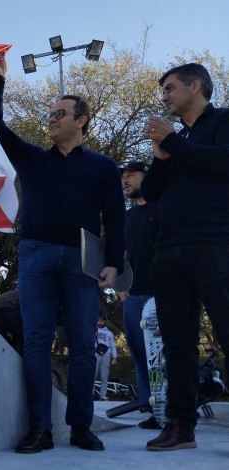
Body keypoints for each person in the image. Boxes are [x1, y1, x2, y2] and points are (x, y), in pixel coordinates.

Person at [0, 55, 126, 454]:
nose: (52, 119)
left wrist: (113, 262)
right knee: (35, 342)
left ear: (80, 120)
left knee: (83, 343)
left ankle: (81, 426)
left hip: (83, 261)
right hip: (36, 257)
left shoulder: (103, 167)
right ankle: (40, 429)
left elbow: (115, 219)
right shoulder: (32, 159)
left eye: (60, 113)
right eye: (50, 113)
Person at [141, 63, 229, 451]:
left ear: (196, 87)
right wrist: (162, 157)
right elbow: (153, 193)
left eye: (170, 88)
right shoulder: (177, 142)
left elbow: (223, 162)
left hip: (215, 246)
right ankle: (180, 426)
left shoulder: (224, 121)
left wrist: (173, 143)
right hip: (169, 251)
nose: (164, 96)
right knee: (176, 343)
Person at [118, 160, 161, 429]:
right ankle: (151, 407)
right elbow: (121, 255)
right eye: (123, 177)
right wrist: (121, 289)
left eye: (131, 175)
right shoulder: (126, 217)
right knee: (139, 352)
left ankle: (174, 408)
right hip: (133, 297)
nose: (125, 181)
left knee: (162, 355)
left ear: (146, 176)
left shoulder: (163, 207)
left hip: (161, 295)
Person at [0, 289, 23, 355]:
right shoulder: (25, 294)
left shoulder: (16, 293)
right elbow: (21, 314)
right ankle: (22, 355)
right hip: (3, 308)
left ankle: (12, 348)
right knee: (20, 334)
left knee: (1, 338)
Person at [94, 315, 117, 401]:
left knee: (104, 377)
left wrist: (114, 357)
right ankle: (90, 395)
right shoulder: (93, 330)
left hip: (106, 355)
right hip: (95, 355)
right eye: (98, 321)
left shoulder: (109, 333)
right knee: (93, 376)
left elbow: (113, 346)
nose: (100, 322)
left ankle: (103, 395)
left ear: (105, 322)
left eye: (102, 321)